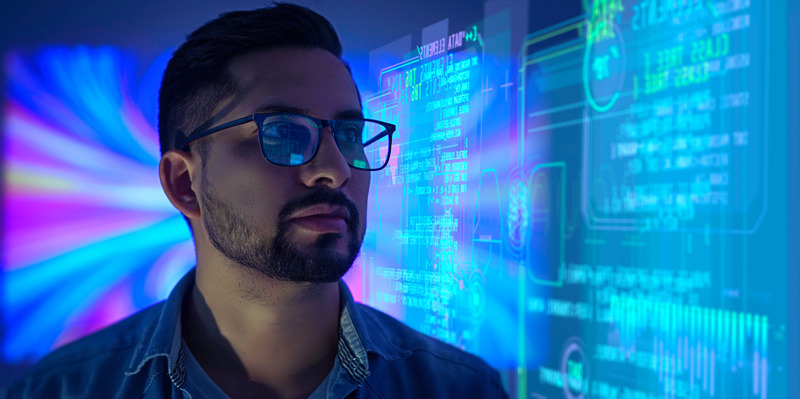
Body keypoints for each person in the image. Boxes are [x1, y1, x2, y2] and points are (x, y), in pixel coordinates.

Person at [6, 3, 507, 398]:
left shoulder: (460, 390)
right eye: (284, 133)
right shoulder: (63, 391)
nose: (334, 168)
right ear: (184, 184)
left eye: (349, 134)